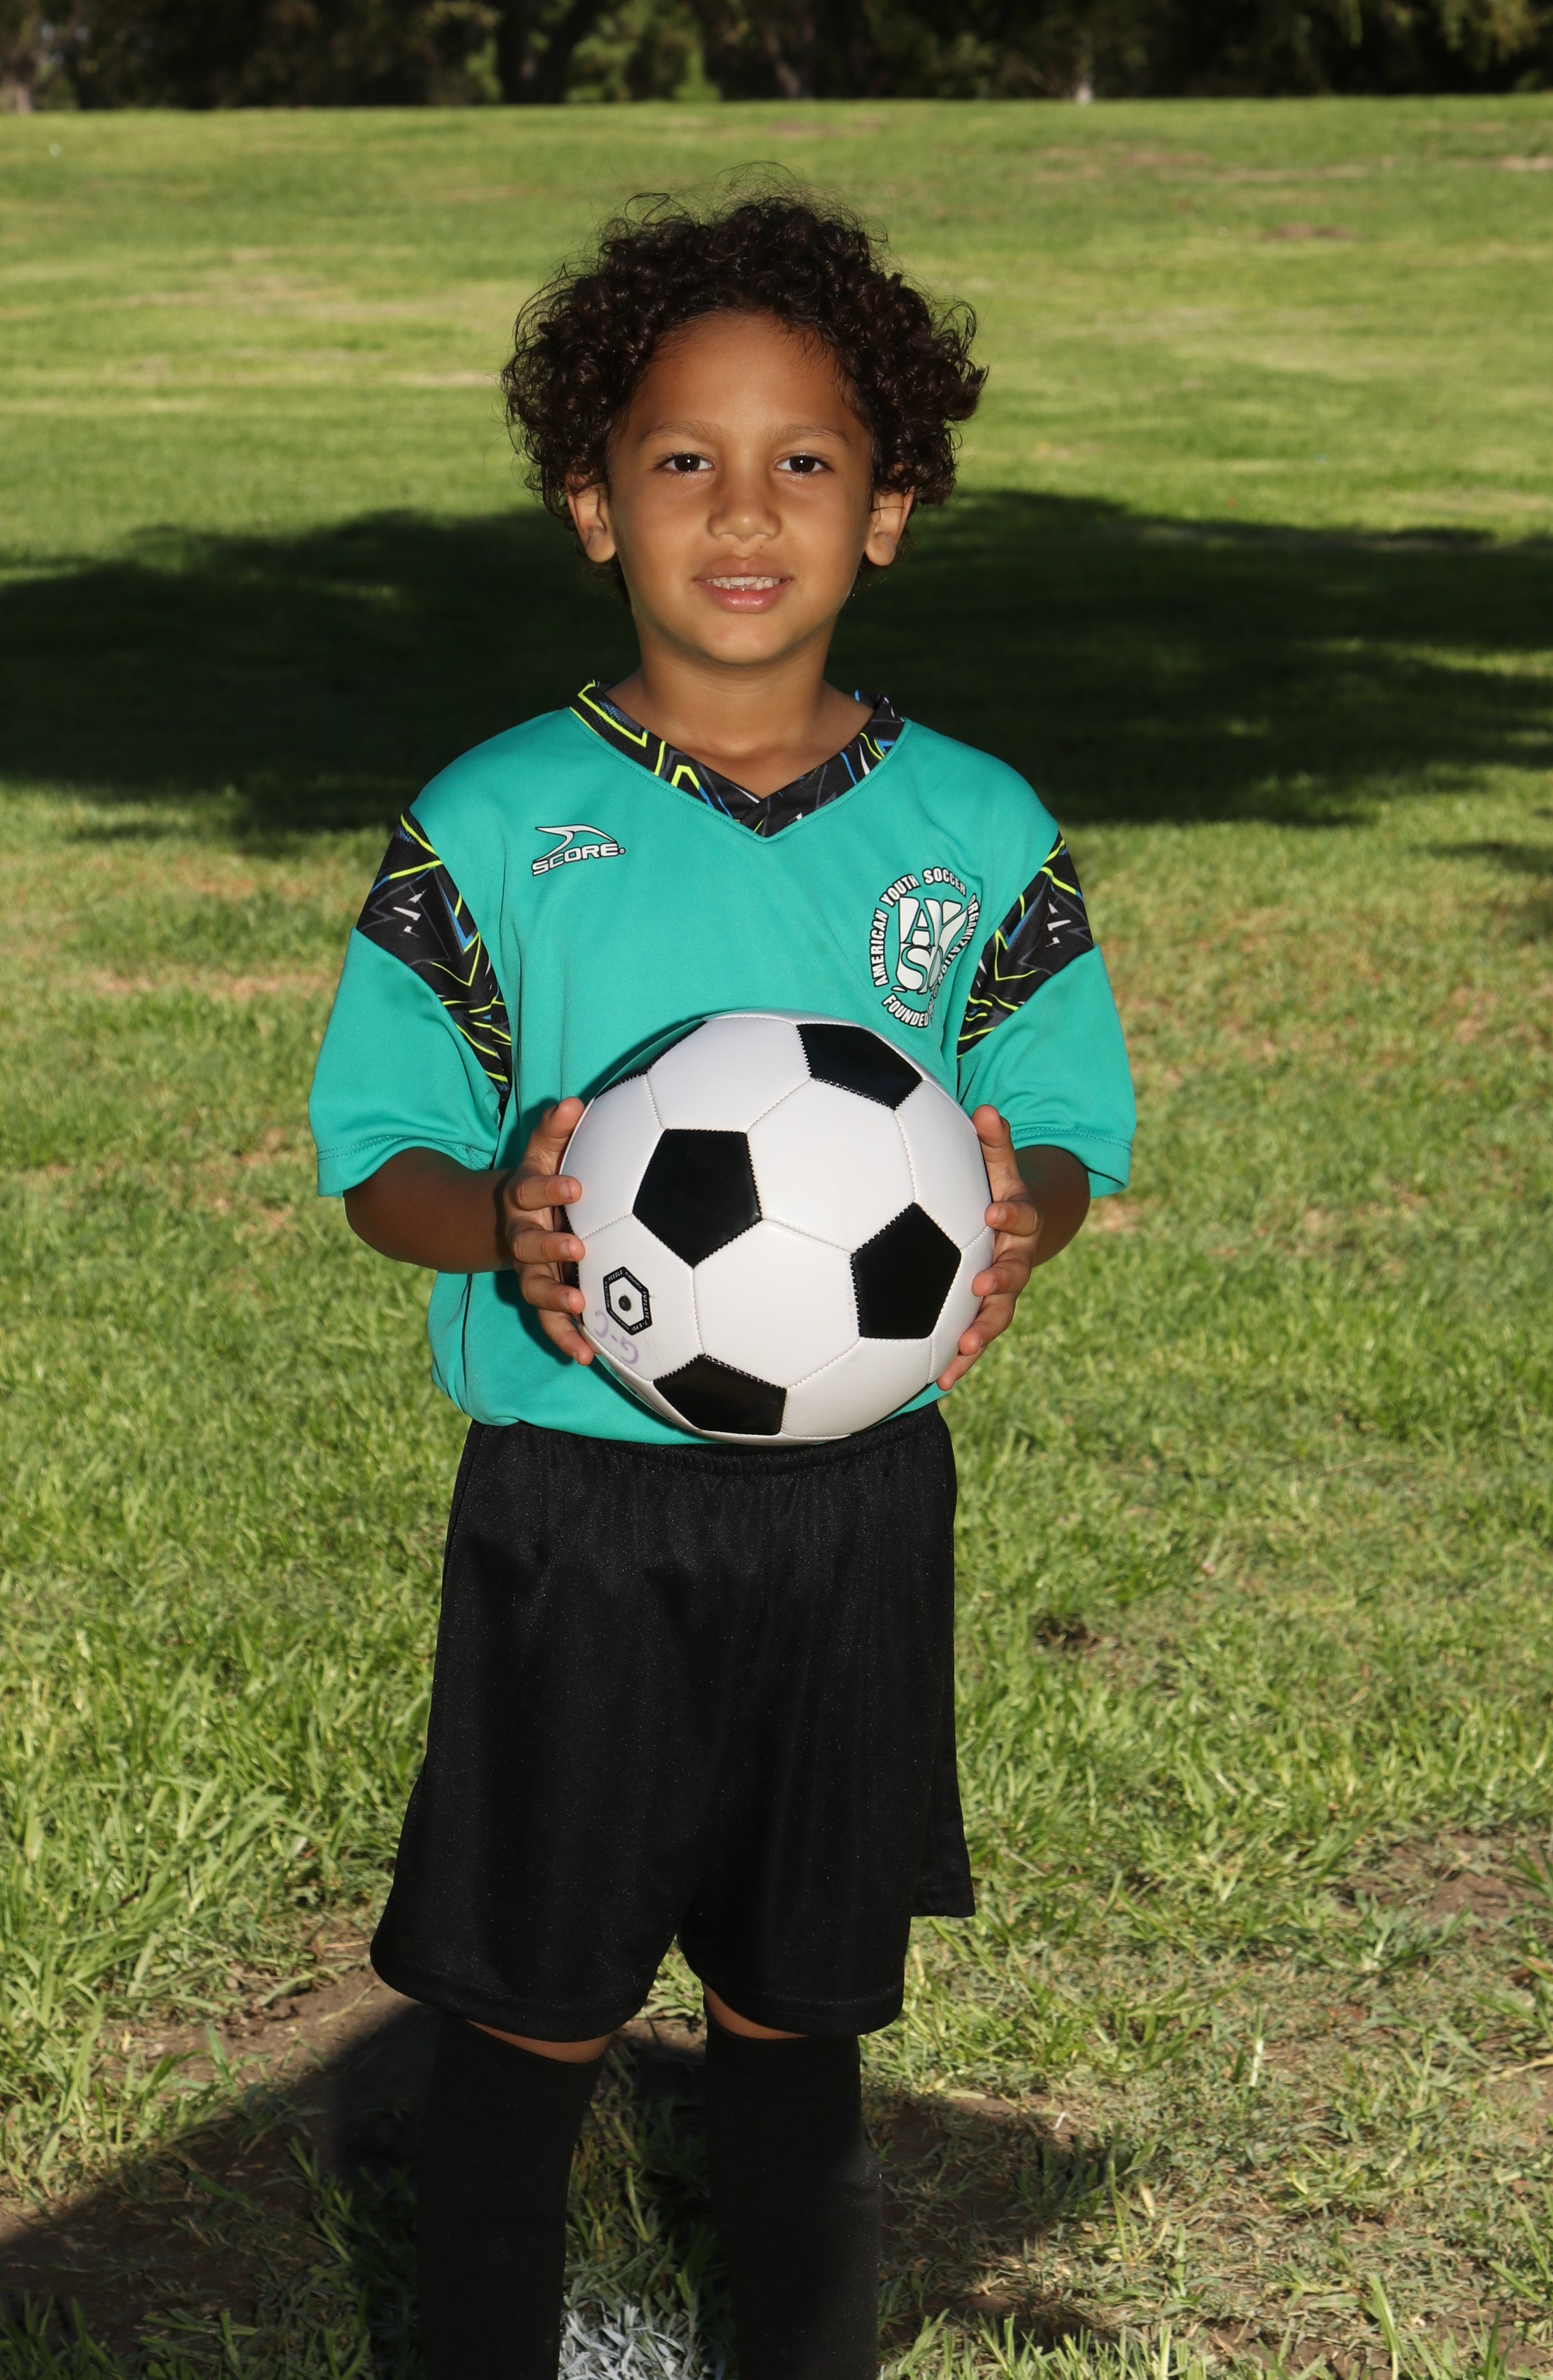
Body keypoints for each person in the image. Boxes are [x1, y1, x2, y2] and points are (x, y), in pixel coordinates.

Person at [308, 190, 1136, 2379]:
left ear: (890, 509)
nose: (744, 511)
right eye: (683, 459)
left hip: (857, 1513)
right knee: (530, 2014)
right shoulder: (494, 823)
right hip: (577, 1509)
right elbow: (378, 1153)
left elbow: (1063, 1117)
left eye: (806, 462)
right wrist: (494, 1216)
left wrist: (1027, 1203)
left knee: (798, 2023)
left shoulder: (974, 831)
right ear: (594, 506)